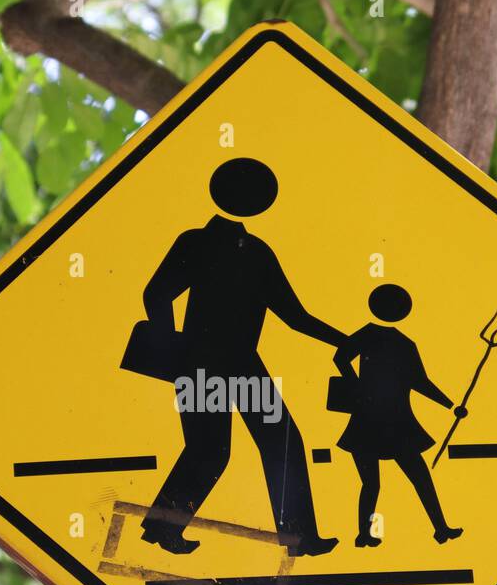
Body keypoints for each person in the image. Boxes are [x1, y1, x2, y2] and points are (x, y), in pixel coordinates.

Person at [135, 158, 344, 557]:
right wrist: (173, 350)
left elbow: (294, 316)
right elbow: (157, 293)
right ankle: (164, 529)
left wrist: (343, 340)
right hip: (203, 362)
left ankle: (299, 537)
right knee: (210, 449)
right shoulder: (199, 242)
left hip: (240, 363)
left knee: (277, 441)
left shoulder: (254, 253)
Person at [333, 284, 465, 547]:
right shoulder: (377, 336)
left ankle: (440, 528)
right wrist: (356, 383)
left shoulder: (403, 342)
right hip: (373, 420)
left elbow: (420, 381)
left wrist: (450, 405)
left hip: (395, 422)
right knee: (375, 482)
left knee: (414, 477)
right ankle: (364, 534)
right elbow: (341, 357)